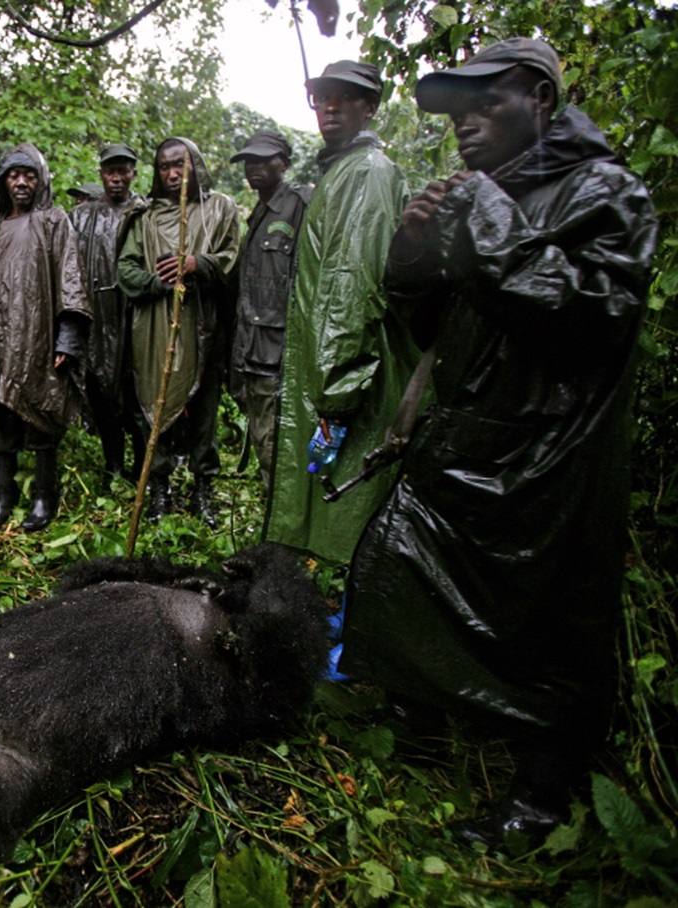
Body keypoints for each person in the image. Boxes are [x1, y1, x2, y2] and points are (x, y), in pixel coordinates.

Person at [341, 38, 656, 845]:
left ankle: (544, 795)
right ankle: (424, 712)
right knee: (406, 563)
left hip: (553, 451)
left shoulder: (606, 190)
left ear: (541, 100)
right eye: (457, 114)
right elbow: (426, 323)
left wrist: (486, 221)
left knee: (552, 620)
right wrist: (414, 250)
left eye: (487, 106)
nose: (466, 127)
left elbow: (588, 316)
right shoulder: (481, 190)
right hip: (468, 436)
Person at [263, 61, 415, 563]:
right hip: (330, 377)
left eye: (345, 97)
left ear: (369, 108)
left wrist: (337, 396)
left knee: (361, 511)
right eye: (321, 97)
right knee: (342, 511)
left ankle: (357, 631)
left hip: (351, 384)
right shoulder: (342, 170)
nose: (329, 106)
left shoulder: (368, 173)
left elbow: (352, 287)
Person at [0, 143, 90, 532]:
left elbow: (71, 280)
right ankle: (3, 496)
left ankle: (45, 497)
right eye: (14, 175)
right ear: (3, 180)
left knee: (41, 415)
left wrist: (68, 339)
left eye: (29, 175)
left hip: (38, 339)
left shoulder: (54, 221)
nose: (22, 183)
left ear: (40, 179)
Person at [117, 137, 240, 526]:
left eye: (179, 165)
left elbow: (233, 262)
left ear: (196, 166)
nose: (172, 174)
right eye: (164, 167)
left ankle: (203, 488)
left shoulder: (220, 209)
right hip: (154, 329)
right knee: (157, 405)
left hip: (204, 327)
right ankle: (160, 489)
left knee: (203, 409)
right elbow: (125, 270)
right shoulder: (146, 217)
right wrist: (159, 284)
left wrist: (197, 264)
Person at [228, 129, 312, 494]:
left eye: (264, 159)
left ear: (285, 163)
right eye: (249, 160)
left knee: (277, 444)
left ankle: (282, 537)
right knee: (265, 439)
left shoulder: (301, 205)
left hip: (282, 353)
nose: (254, 167)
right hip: (254, 350)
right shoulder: (259, 213)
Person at [69, 143, 147, 490]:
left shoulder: (146, 212)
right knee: (100, 396)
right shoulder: (84, 214)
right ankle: (113, 464)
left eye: (123, 171)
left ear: (133, 173)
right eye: (110, 171)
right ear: (101, 174)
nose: (116, 178)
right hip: (96, 321)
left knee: (137, 399)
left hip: (135, 320)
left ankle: (144, 469)